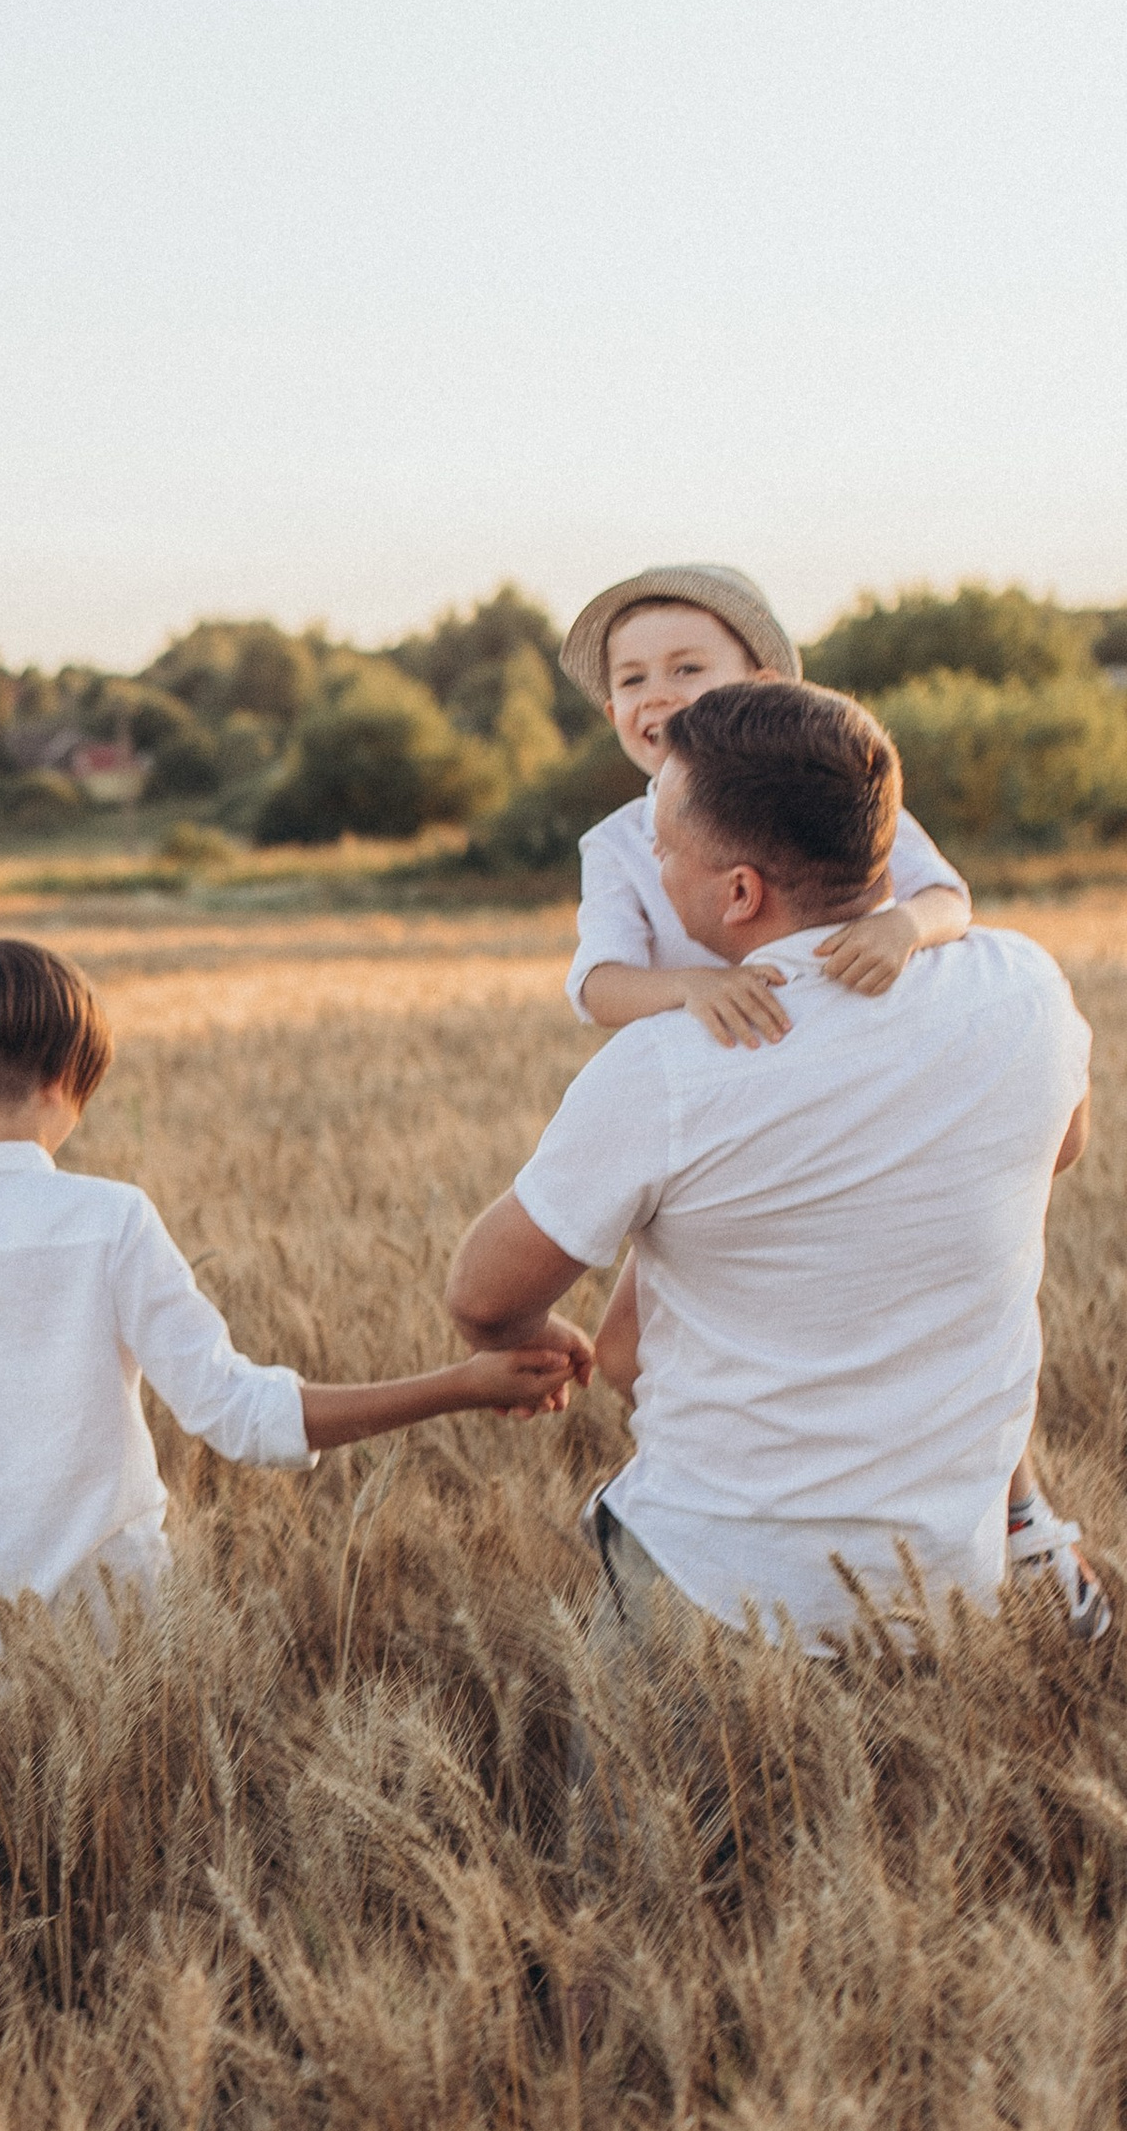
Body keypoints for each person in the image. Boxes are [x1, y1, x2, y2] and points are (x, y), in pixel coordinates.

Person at [0, 936, 584, 1665]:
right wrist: (460, 1382)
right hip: (122, 1636)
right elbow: (243, 1419)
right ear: (71, 1082)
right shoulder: (110, 1221)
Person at [448, 678, 1094, 1656]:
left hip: (713, 1592)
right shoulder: (1026, 987)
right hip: (952, 1592)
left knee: (640, 1816)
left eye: (663, 848)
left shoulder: (664, 1066)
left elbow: (482, 1298)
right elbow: (1063, 1148)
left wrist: (552, 1344)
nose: (651, 864)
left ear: (738, 890)